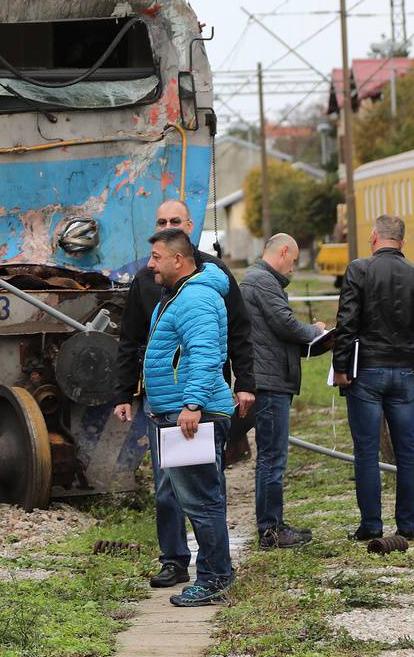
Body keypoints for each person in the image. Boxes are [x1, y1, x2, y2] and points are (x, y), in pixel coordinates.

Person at [114, 198, 256, 589]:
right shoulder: (153, 281)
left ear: (189, 228)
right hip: (169, 407)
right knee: (171, 489)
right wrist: (126, 392)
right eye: (161, 220)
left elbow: (224, 341)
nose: (151, 262)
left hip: (191, 406)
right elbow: (132, 340)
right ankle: (176, 560)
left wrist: (241, 385)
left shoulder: (206, 282)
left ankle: (214, 572)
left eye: (173, 221)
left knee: (202, 491)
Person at [129, 228, 235, 606]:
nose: (150, 264)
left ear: (178, 259)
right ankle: (217, 571)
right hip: (178, 412)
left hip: (193, 414)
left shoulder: (194, 299)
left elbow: (206, 355)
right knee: (196, 497)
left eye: (156, 257)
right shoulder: (176, 295)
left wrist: (191, 405)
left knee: (201, 499)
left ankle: (215, 578)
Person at [331, 214, 414, 547]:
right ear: (403, 242)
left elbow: (347, 323)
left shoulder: (359, 270)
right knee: (408, 451)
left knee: (366, 451)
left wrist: (341, 367)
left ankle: (372, 525)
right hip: (404, 374)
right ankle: (407, 526)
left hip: (366, 372)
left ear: (373, 238)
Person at [241, 233, 323, 549]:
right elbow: (285, 324)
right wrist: (316, 332)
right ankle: (270, 531)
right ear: (284, 251)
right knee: (273, 458)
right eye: (294, 259)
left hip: (271, 378)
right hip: (270, 381)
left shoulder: (261, 280)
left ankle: (273, 524)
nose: (294, 266)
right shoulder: (262, 280)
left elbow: (277, 333)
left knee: (272, 457)